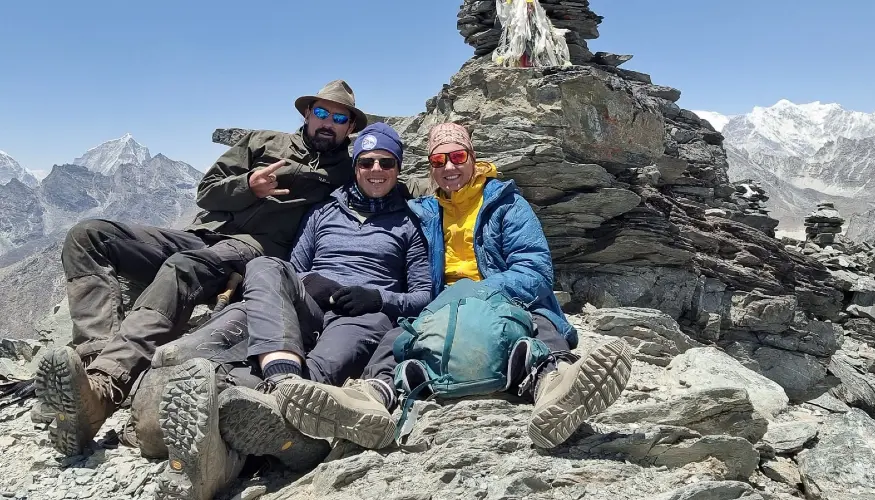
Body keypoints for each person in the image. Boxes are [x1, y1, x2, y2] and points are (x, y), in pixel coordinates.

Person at [35, 79, 367, 457]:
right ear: (307, 114)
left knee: (183, 267)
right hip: (201, 233)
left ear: (350, 127)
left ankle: (106, 388)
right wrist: (248, 185)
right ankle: (93, 371)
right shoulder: (262, 143)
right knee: (87, 235)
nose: (328, 122)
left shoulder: (352, 168)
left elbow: (392, 179)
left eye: (339, 117)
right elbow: (206, 190)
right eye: (321, 112)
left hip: (254, 249)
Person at [271, 122, 633, 451]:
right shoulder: (423, 212)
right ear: (431, 167)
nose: (449, 166)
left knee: (540, 322)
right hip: (441, 308)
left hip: (503, 297)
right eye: (439, 159)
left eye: (458, 156)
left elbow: (535, 271)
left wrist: (479, 292)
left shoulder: (506, 206)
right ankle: (370, 399)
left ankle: (556, 388)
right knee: (396, 337)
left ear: (473, 158)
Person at [153, 123, 433, 500]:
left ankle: (227, 404)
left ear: (398, 167)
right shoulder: (323, 212)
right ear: (355, 166)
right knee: (266, 266)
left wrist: (379, 299)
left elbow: (422, 294)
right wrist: (312, 283)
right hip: (312, 306)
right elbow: (292, 268)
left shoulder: (412, 223)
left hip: (363, 315)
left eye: (386, 162)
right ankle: (281, 377)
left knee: (317, 374)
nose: (376, 170)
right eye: (366, 162)